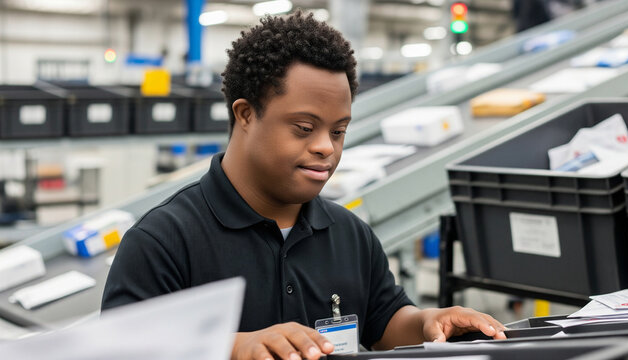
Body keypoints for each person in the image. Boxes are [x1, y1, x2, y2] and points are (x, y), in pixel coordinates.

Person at [101, 10, 507, 360]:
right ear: (245, 114)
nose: (324, 148)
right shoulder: (165, 240)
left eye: (339, 131)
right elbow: (120, 351)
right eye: (303, 128)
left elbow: (385, 321)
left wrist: (428, 323)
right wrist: (232, 347)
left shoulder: (348, 234)